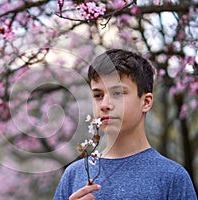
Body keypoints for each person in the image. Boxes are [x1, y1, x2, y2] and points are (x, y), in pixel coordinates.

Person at [53, 49, 197, 200]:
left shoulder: (172, 177)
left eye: (118, 93)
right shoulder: (74, 175)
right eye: (98, 95)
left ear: (146, 102)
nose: (105, 104)